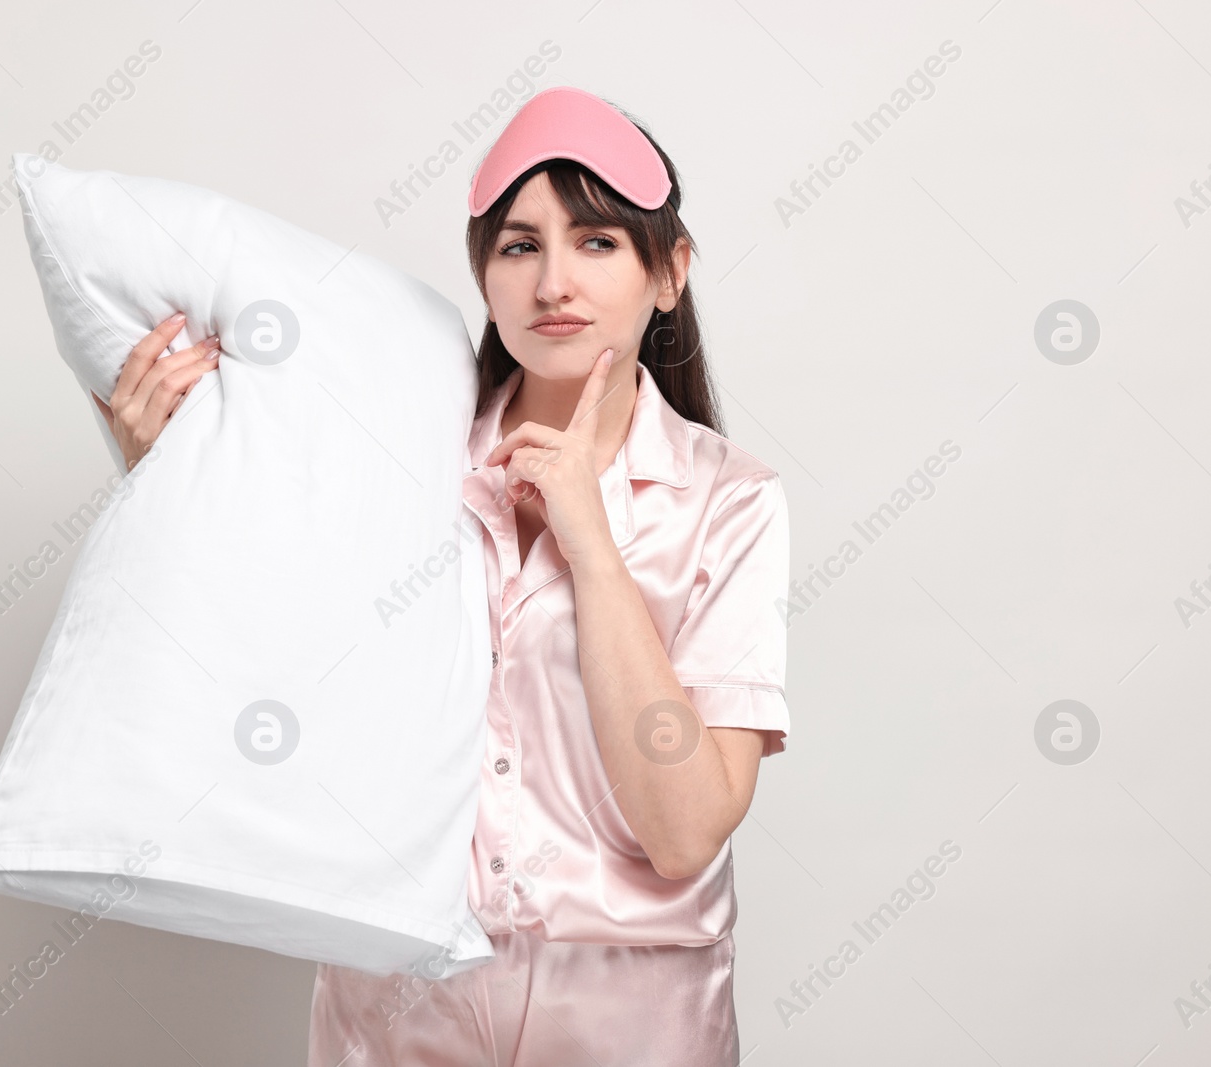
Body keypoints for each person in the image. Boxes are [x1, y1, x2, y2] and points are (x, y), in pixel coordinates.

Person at [97, 87, 791, 1066]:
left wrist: (590, 547)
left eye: (596, 242)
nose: (554, 281)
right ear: (483, 274)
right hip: (399, 989)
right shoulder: (398, 461)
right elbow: (272, 684)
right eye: (518, 246)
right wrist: (167, 478)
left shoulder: (728, 501)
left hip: (632, 1006)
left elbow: (683, 833)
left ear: (668, 271)